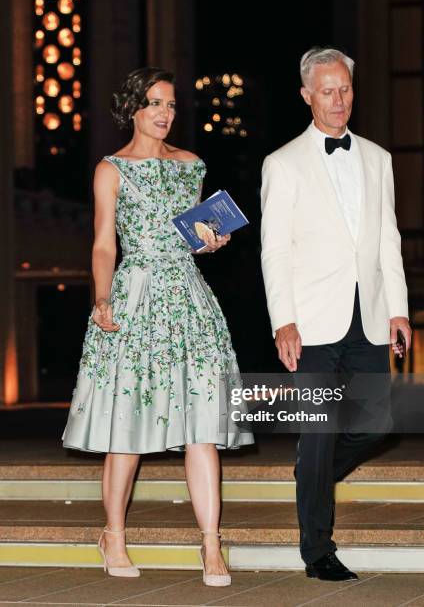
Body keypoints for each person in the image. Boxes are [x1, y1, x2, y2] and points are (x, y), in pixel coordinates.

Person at [62, 67, 253, 586]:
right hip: (135, 295)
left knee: (202, 426)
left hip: (189, 300)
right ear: (133, 109)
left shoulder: (192, 165)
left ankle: (212, 545)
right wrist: (102, 297)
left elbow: (193, 233)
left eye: (170, 104)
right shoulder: (111, 170)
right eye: (154, 103)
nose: (165, 113)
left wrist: (211, 240)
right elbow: (104, 243)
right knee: (125, 426)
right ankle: (114, 535)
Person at [260, 47, 411, 581]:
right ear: (306, 96)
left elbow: (387, 240)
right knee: (320, 430)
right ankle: (317, 550)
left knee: (376, 423)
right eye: (327, 90)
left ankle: (312, 473)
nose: (339, 99)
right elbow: (274, 249)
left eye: (345, 88)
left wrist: (399, 310)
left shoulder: (377, 158)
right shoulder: (282, 163)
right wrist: (284, 320)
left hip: (368, 315)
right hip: (311, 321)